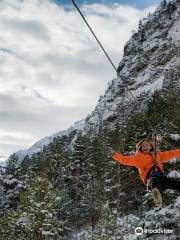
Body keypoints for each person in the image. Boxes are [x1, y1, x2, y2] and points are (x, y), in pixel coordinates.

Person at [112, 139, 180, 207]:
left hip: (161, 178)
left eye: (146, 145)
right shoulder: (138, 158)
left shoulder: (158, 155)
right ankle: (156, 194)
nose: (145, 146)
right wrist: (114, 154)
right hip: (149, 178)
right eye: (143, 145)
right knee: (154, 180)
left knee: (173, 183)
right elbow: (124, 160)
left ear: (150, 147)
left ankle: (158, 191)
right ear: (140, 148)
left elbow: (172, 153)